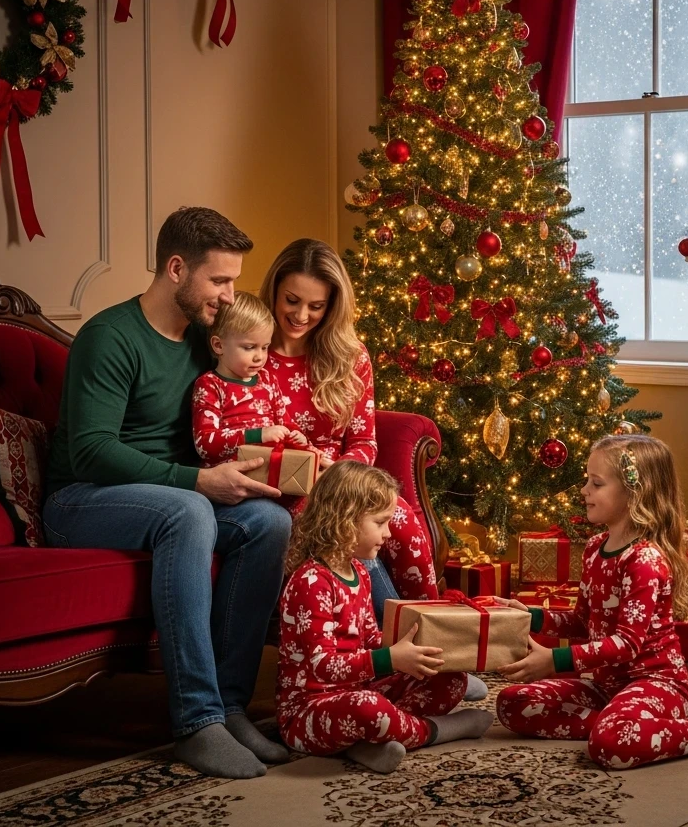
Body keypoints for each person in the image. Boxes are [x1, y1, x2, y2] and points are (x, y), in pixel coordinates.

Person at [43, 207, 293, 781]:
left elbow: (235, 412)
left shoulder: (207, 342)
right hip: (82, 501)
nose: (231, 296)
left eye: (234, 281)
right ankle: (196, 720)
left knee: (269, 523)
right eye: (220, 280)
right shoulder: (109, 337)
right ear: (176, 268)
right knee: (186, 510)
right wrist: (199, 481)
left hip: (171, 496)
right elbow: (90, 451)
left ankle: (229, 708)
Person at [495, 434, 688, 769]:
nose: (584, 490)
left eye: (596, 483)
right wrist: (531, 617)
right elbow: (583, 622)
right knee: (513, 703)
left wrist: (556, 660)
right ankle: (622, 723)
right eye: (588, 480)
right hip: (605, 686)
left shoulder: (644, 560)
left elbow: (627, 644)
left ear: (633, 493)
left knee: (610, 748)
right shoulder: (595, 548)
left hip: (656, 685)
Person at [276, 461, 493, 774]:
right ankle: (437, 730)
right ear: (345, 519)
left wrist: (416, 649)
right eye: (380, 522)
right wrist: (390, 659)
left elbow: (369, 639)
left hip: (356, 694)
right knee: (368, 709)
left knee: (450, 680)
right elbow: (323, 665)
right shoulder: (311, 582)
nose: (388, 532)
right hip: (306, 715)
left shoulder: (360, 573)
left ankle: (371, 741)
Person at [259, 239, 439, 605]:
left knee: (399, 518)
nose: (301, 315)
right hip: (283, 490)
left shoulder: (350, 355)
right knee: (349, 527)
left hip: (343, 481)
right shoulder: (249, 351)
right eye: (291, 300)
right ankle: (383, 650)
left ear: (332, 306)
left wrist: (338, 474)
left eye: (316, 306)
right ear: (274, 290)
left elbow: (364, 441)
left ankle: (432, 628)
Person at [191, 291, 307, 469]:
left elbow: (286, 422)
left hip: (272, 471)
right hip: (231, 479)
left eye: (265, 347)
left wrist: (296, 435)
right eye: (249, 347)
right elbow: (205, 444)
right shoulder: (210, 385)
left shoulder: (267, 380)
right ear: (219, 345)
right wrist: (259, 435)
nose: (259, 357)